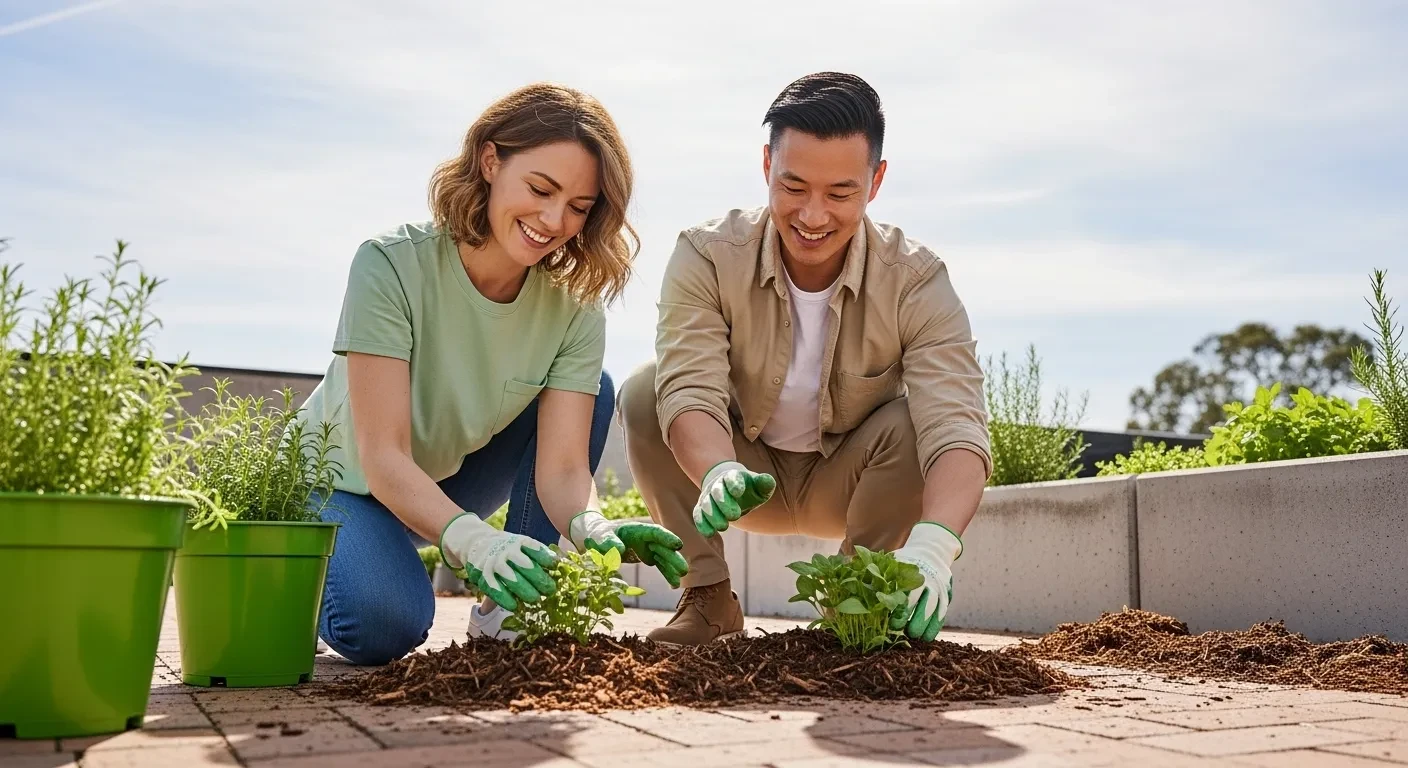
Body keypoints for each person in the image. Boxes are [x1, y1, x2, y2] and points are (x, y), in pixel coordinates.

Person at [299, 83, 687, 665]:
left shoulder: (574, 307)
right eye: (540, 189)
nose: (554, 220)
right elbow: (382, 457)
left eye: (579, 207)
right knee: (383, 624)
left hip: (442, 481)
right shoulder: (389, 266)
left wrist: (590, 526)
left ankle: (509, 610)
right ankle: (310, 572)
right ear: (489, 159)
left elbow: (560, 468)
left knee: (596, 388)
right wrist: (472, 539)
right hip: (340, 485)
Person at [618, 71, 992, 646]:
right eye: (793, 187)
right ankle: (709, 597)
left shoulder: (916, 280)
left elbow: (957, 423)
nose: (813, 216)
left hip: (850, 481)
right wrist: (718, 469)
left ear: (876, 181)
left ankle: (857, 602)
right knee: (644, 393)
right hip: (741, 477)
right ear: (767, 165)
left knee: (915, 422)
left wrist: (936, 543)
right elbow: (689, 386)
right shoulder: (708, 255)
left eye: (840, 193)